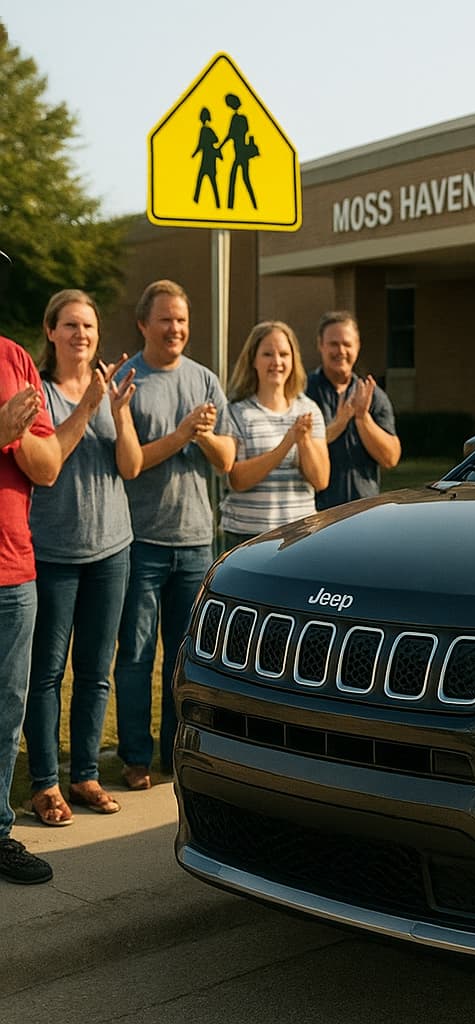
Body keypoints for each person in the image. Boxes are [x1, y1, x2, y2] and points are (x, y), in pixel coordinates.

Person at [25, 290, 142, 826]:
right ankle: (45, 784)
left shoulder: (110, 390)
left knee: (96, 672)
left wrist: (118, 413)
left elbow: (130, 467)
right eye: (70, 325)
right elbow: (45, 464)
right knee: (47, 674)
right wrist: (90, 405)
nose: (81, 335)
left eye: (89, 326)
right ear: (51, 331)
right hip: (53, 553)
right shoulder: (38, 393)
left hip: (111, 549)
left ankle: (86, 774)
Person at [115, 280, 235, 790]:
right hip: (141, 540)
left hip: (194, 542)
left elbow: (228, 460)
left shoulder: (204, 379)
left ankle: (174, 753)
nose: (175, 328)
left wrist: (202, 437)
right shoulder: (127, 379)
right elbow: (129, 463)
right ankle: (135, 758)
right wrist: (183, 433)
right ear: (143, 324)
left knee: (186, 658)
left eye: (181, 320)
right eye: (165, 319)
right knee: (136, 656)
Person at [0, 250, 64, 883]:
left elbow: (47, 468)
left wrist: (15, 437)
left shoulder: (16, 359)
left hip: (14, 571)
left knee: (5, 713)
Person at [219, 320, 329, 549]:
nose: (277, 362)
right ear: (253, 360)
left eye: (284, 354)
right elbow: (237, 480)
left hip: (300, 535)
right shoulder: (236, 411)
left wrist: (304, 441)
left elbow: (321, 480)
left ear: (293, 360)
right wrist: (286, 444)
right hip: (247, 538)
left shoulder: (309, 410)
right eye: (268, 354)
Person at [305, 311, 400, 510]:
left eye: (347, 344)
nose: (341, 350)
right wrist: (338, 424)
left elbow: (390, 458)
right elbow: (297, 449)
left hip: (364, 512)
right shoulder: (304, 393)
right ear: (320, 345)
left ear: (357, 346)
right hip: (317, 513)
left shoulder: (373, 395)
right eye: (333, 344)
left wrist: (362, 418)